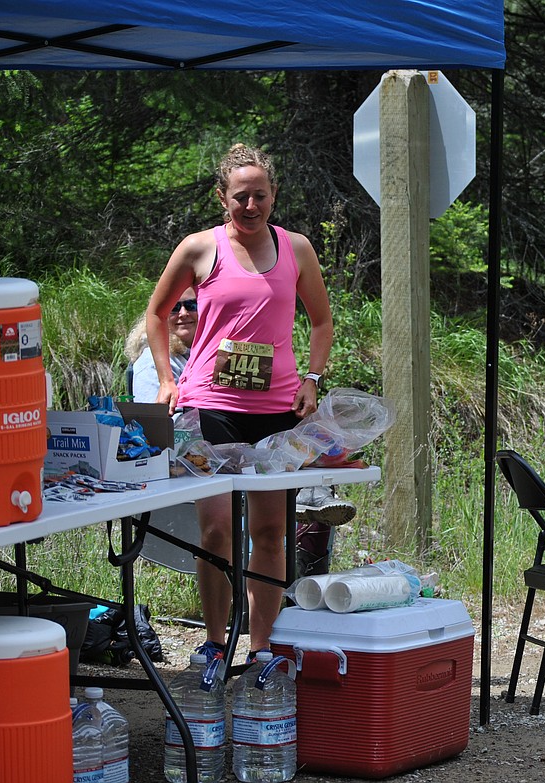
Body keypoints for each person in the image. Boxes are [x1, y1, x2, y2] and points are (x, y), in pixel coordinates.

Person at [145, 142, 336, 663]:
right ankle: (213, 643)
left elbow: (321, 321)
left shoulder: (295, 248)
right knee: (215, 529)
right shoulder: (199, 248)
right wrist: (166, 378)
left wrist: (312, 378)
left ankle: (261, 646)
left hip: (276, 411)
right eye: (240, 197)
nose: (250, 207)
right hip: (213, 407)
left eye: (260, 196)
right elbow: (157, 314)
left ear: (273, 195)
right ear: (222, 198)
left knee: (272, 531)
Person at [125, 287, 198, 402]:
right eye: (174, 307)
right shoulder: (151, 362)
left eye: (192, 305)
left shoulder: (209, 354)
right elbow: (155, 417)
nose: (183, 313)